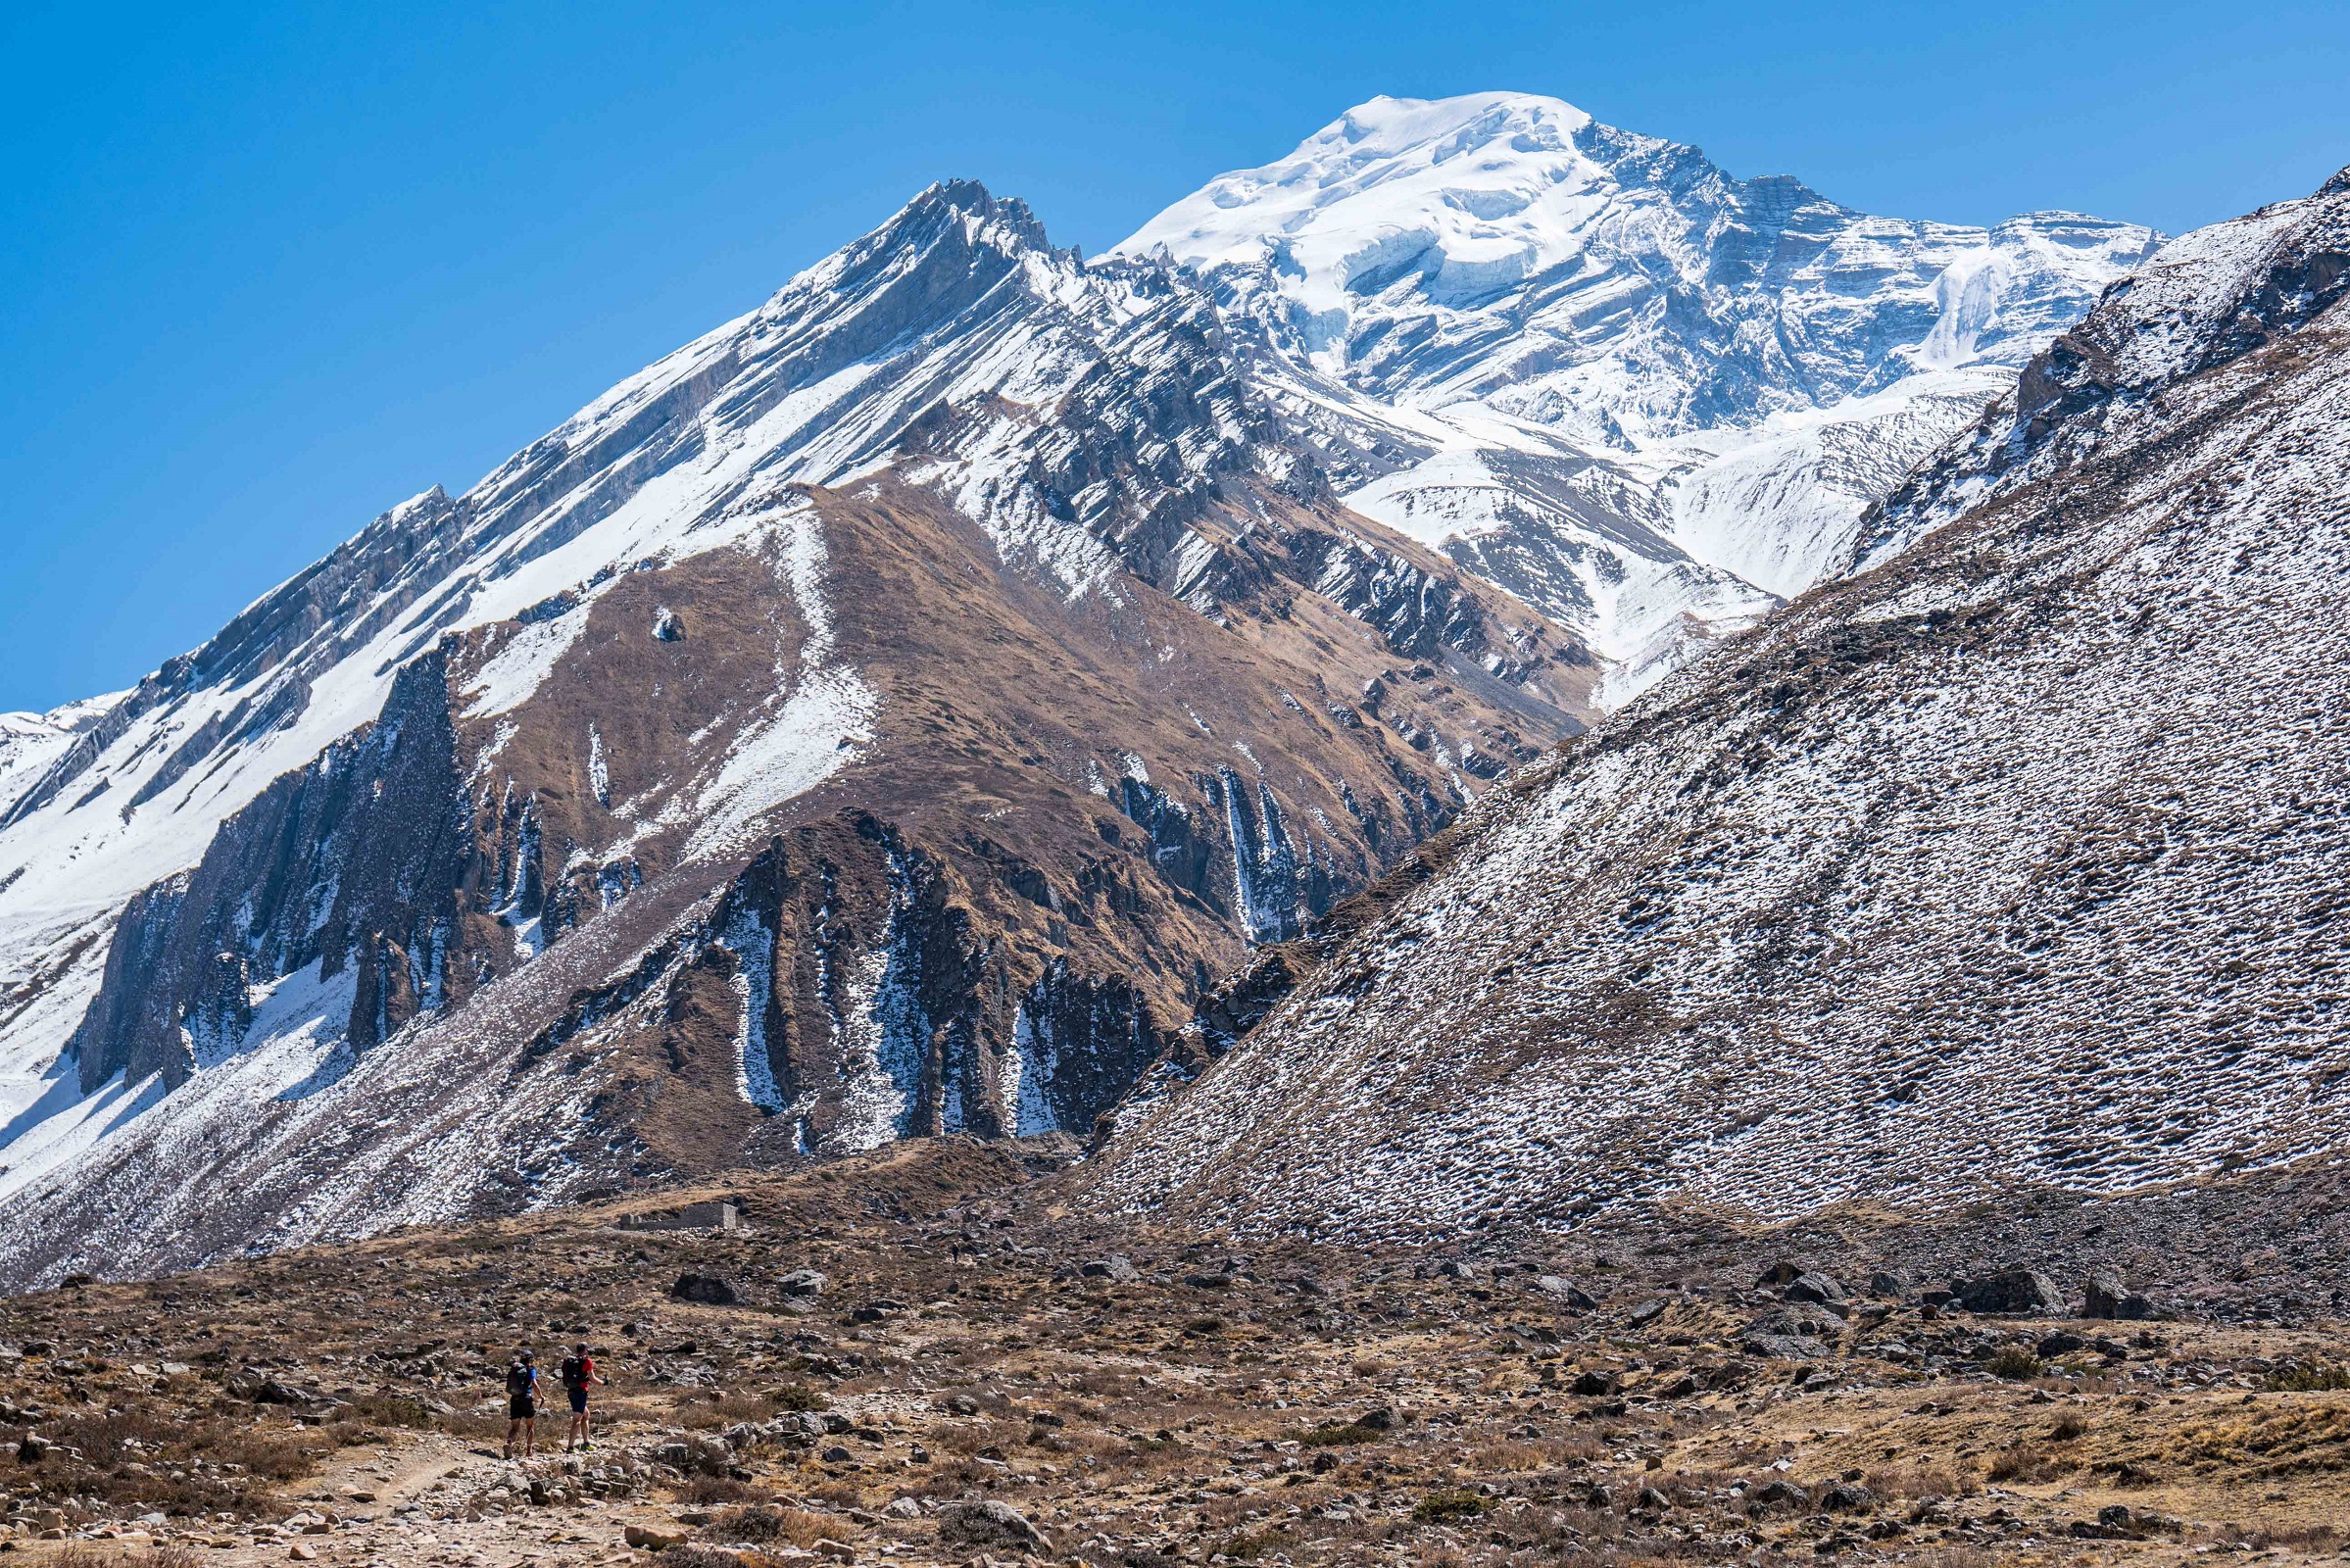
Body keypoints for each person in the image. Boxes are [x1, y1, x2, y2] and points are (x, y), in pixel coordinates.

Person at [559, 1342, 608, 1451]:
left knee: (586, 1415)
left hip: (571, 1391)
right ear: (585, 1350)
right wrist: (603, 1383)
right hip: (580, 1392)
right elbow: (592, 1378)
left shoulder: (571, 1361)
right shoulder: (587, 1361)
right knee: (577, 1419)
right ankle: (570, 1447)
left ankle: (586, 1442)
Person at [504, 1349, 541, 1459]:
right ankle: (529, 1451)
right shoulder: (530, 1369)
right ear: (530, 1359)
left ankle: (508, 1443)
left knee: (514, 1428)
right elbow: (534, 1383)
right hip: (526, 1399)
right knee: (530, 1426)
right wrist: (541, 1396)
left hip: (514, 1399)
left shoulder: (515, 1368)